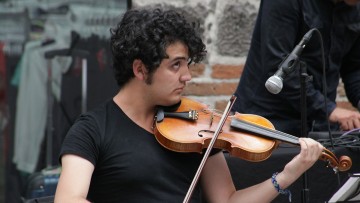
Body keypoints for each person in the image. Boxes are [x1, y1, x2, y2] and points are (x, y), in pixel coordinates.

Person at [54, 7, 324, 203]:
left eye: (187, 64)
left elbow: (227, 201)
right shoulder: (92, 130)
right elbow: (67, 199)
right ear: (140, 69)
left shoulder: (198, 126)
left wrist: (287, 176)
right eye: (175, 65)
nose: (187, 76)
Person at [232, 0, 360, 137]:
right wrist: (328, 110)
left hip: (318, 127)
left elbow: (353, 69)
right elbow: (278, 63)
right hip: (265, 123)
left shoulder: (355, 9)